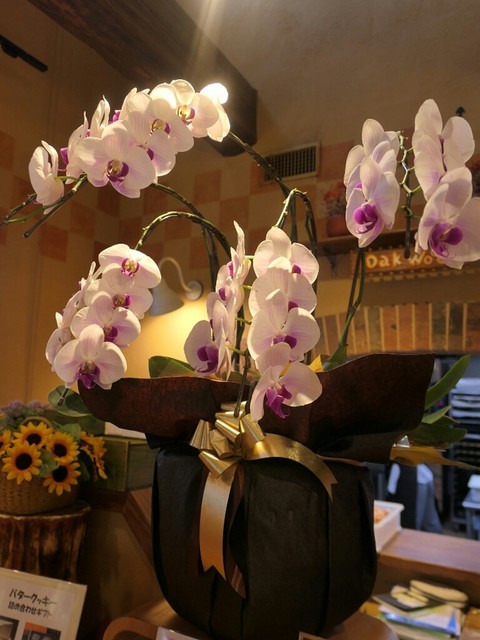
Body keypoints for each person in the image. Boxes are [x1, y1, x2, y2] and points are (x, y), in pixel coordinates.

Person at [387, 463, 442, 533]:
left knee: (417, 520)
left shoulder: (398, 466)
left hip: (419, 482)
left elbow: (391, 490)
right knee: (429, 520)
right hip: (426, 477)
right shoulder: (399, 466)